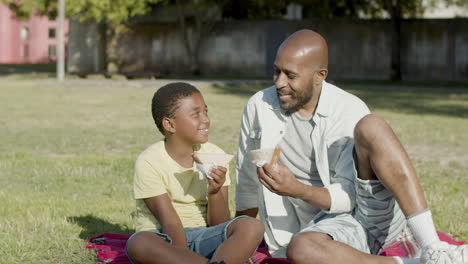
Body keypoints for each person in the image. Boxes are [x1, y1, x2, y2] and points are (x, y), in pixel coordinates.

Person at [235, 29, 467, 264]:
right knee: (302, 249)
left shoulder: (348, 109)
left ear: (319, 76)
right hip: (323, 229)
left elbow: (350, 197)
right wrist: (233, 236)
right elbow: (247, 180)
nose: (279, 82)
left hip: (366, 210)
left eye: (290, 76)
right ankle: (418, 263)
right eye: (276, 71)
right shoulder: (259, 107)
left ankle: (433, 247)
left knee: (372, 126)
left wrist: (297, 189)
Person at [126, 82, 264, 264]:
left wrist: (214, 191)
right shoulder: (150, 161)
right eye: (196, 114)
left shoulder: (215, 155)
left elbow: (219, 224)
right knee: (138, 243)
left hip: (204, 236)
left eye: (206, 111)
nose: (205, 119)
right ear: (170, 124)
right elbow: (170, 224)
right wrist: (185, 257)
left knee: (251, 225)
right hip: (164, 240)